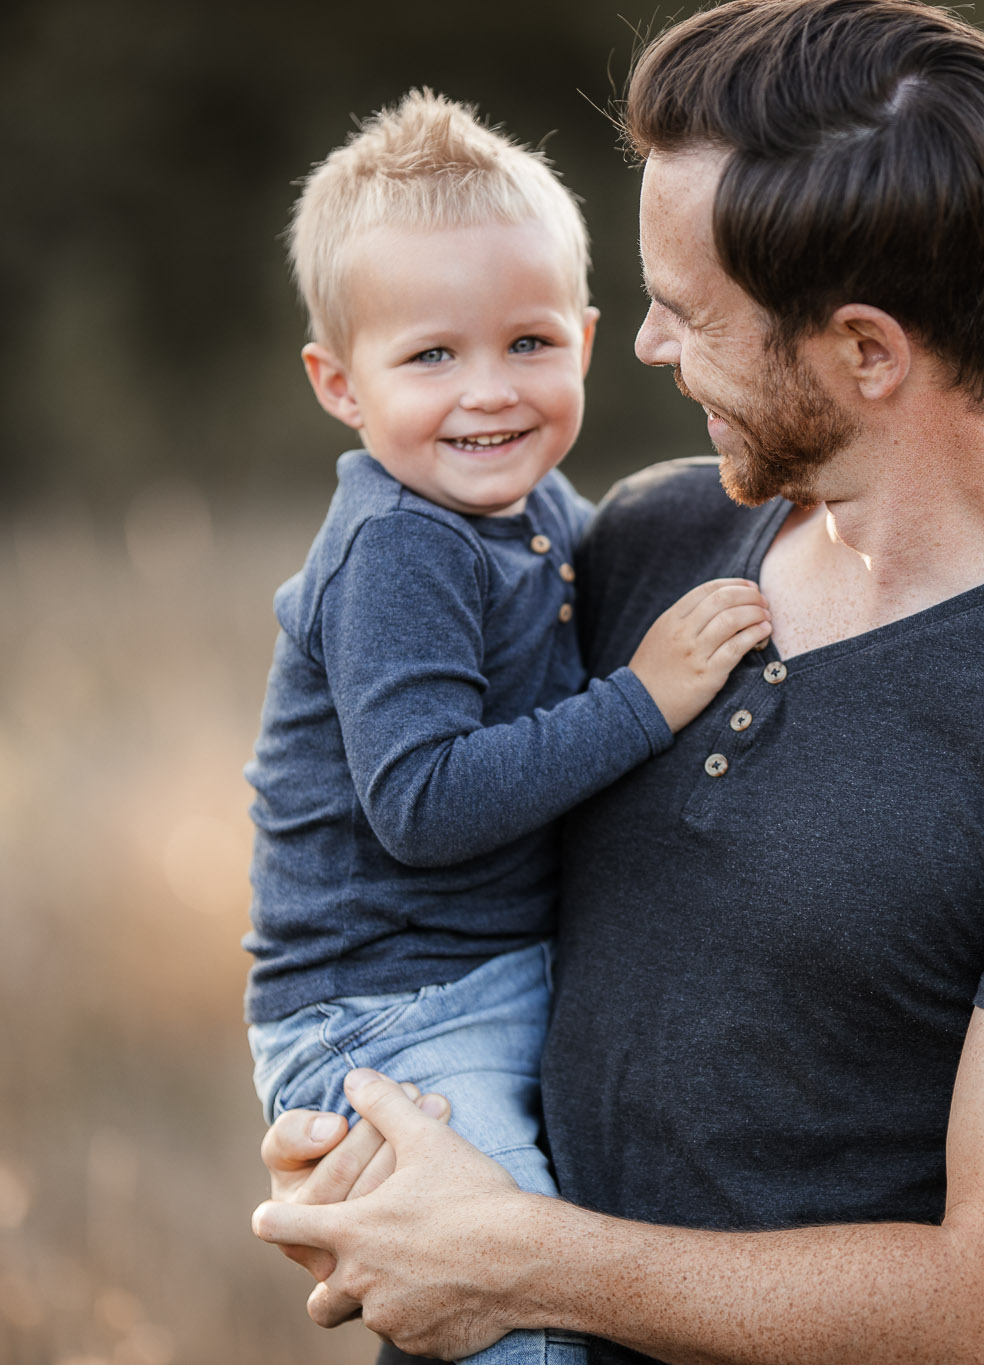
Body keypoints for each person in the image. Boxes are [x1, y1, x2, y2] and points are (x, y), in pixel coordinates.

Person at [253, 4, 984, 1362]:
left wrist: (524, 1263)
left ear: (865, 351)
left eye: (685, 313)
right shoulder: (649, 540)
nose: (643, 348)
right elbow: (402, 852)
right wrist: (353, 1140)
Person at [240, 86, 773, 1365]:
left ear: (586, 342)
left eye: (527, 343)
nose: (489, 393)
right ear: (337, 381)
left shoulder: (529, 512)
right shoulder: (402, 547)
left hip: (483, 982)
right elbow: (421, 805)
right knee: (512, 1303)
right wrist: (643, 700)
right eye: (431, 357)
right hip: (390, 1012)